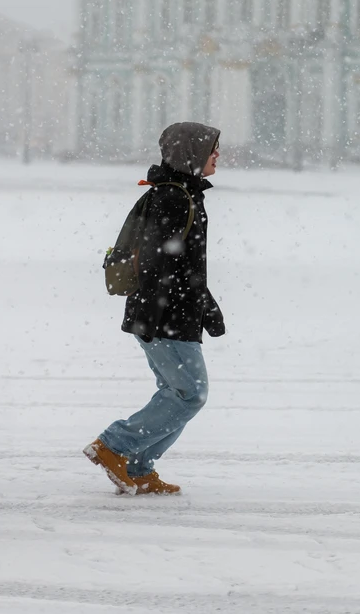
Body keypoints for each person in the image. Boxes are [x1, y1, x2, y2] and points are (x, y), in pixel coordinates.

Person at [85, 122, 226, 495]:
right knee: (189, 394)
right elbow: (155, 263)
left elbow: (184, 265)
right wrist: (158, 314)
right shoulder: (174, 198)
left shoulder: (181, 193)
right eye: (213, 148)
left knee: (175, 391)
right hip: (165, 316)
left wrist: (206, 306)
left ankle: (137, 466)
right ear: (192, 154)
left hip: (171, 313)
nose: (218, 155)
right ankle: (114, 445)